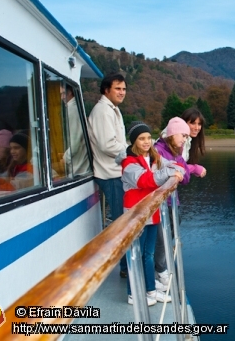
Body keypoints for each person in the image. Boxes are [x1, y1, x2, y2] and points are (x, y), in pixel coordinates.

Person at [118, 121, 184, 306]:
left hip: (151, 212)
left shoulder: (153, 157)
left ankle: (150, 291)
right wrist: (170, 175)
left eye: (148, 137)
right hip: (136, 213)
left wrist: (176, 171)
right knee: (136, 255)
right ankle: (133, 294)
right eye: (141, 138)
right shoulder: (129, 164)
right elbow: (145, 180)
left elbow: (175, 165)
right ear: (133, 142)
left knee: (148, 254)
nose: (147, 142)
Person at [87, 74, 129, 277]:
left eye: (124, 89)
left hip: (116, 172)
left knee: (122, 219)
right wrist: (131, 153)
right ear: (106, 90)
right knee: (122, 221)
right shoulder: (103, 110)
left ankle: (125, 265)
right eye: (118, 88)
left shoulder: (113, 110)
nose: (122, 92)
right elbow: (107, 144)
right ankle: (125, 268)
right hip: (110, 174)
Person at [153, 117, 195, 287]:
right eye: (183, 135)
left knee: (170, 232)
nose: (185, 139)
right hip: (161, 203)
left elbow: (185, 178)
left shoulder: (176, 151)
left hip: (172, 202)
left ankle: (161, 266)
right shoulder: (158, 151)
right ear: (173, 134)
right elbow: (159, 176)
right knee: (161, 238)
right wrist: (177, 171)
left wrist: (180, 171)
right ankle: (160, 270)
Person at [61, 84, 90, 176]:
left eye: (63, 94)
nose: (62, 97)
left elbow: (75, 141)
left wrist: (65, 158)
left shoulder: (72, 109)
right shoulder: (78, 107)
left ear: (70, 93)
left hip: (78, 168)